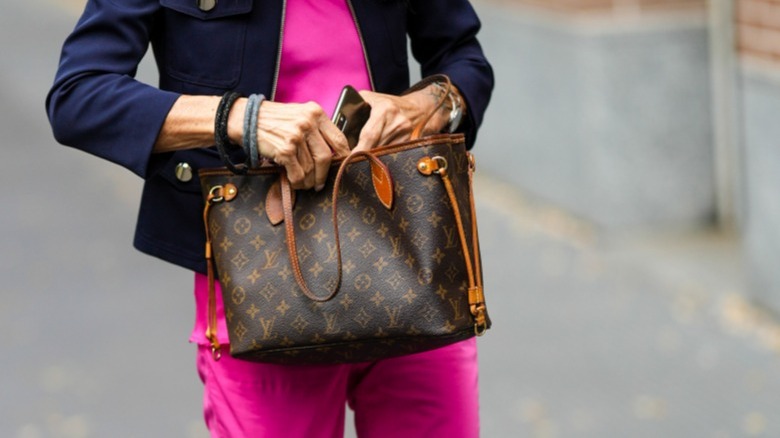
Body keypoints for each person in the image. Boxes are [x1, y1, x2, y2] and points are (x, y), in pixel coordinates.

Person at [47, 0, 493, 436]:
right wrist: (241, 118)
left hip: (409, 259)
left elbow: (462, 55)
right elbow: (80, 94)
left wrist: (428, 104)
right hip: (260, 285)